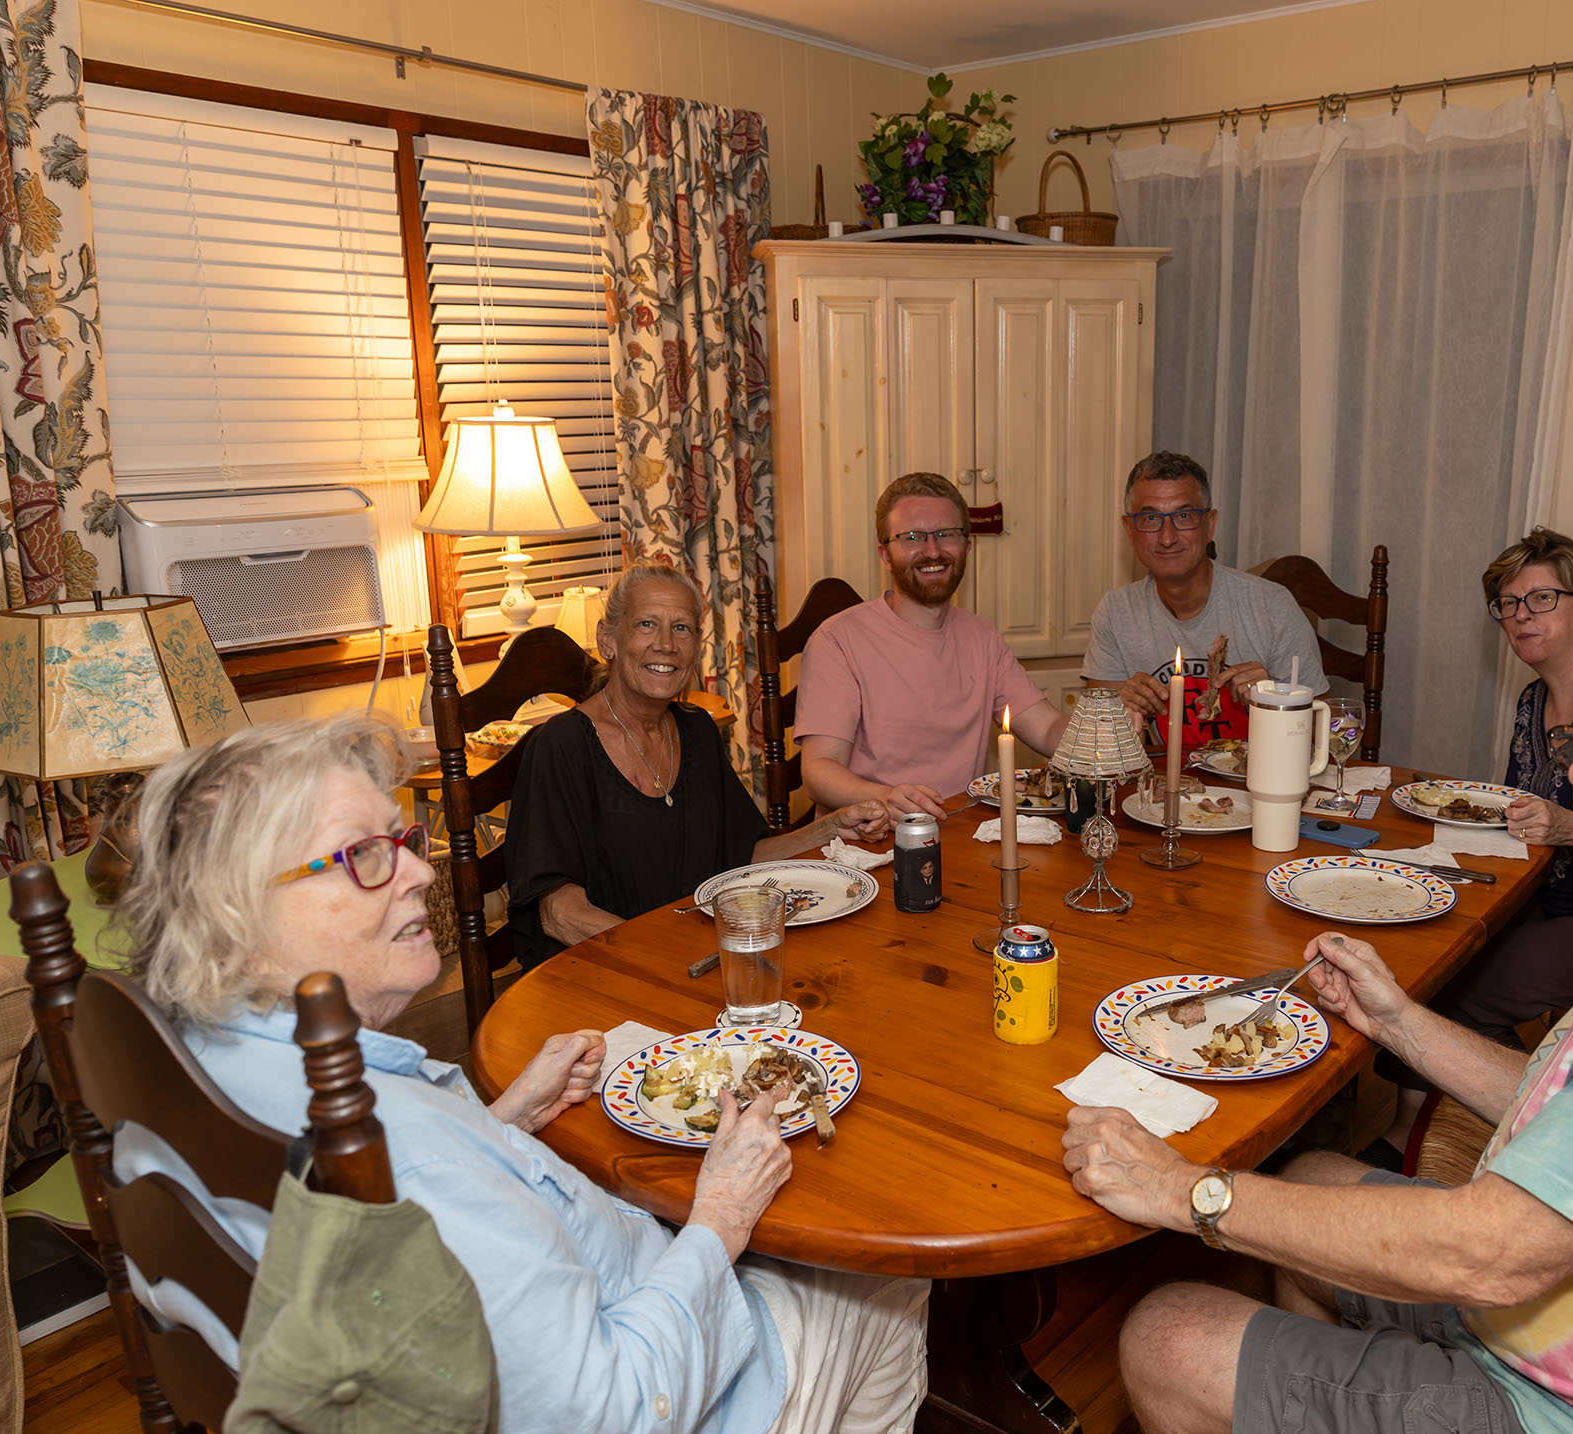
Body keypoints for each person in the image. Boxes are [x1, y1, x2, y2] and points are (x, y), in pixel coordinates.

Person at [1062, 604, 1573, 1434]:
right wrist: (1397, 1021)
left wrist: (1185, 1191)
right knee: (1309, 1178)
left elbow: (1489, 1254)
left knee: (1165, 1336)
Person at [111, 712, 929, 1434]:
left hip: (484, 1343)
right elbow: (616, 1409)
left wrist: (497, 1124)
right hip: (669, 1389)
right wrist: (722, 1213)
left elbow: (383, 1220)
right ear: (239, 915)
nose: (422, 873)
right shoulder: (404, 1148)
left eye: (404, 842)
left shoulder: (190, 1066)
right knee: (886, 1277)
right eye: (364, 855)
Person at [1367, 528, 1573, 1165]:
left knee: (1454, 995)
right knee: (1427, 949)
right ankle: (1416, 1125)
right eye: (1509, 604)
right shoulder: (1533, 700)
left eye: (1541, 599)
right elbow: (1518, 810)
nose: (1520, 616)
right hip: (1538, 894)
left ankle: (1523, 1134)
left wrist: (1571, 827)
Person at [506, 560, 892, 967]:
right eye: (646, 625)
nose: (667, 644)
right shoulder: (561, 747)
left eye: (682, 628)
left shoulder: (697, 731)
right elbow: (560, 914)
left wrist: (832, 828)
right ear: (608, 640)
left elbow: (743, 856)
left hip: (699, 960)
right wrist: (665, 959)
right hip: (604, 971)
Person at [797, 471, 1066, 820]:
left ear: (966, 547)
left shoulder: (982, 638)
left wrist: (1109, 734)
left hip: (963, 835)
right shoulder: (837, 641)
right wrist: (885, 798)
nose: (932, 550)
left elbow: (1047, 728)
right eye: (912, 537)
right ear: (885, 554)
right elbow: (819, 770)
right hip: (869, 840)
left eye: (945, 534)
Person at [1082, 452, 1325, 750]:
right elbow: (1097, 743)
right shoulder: (1115, 613)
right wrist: (1117, 708)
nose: (1167, 537)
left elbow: (1325, 733)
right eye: (1150, 519)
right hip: (1168, 777)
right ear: (1130, 531)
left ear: (1209, 525)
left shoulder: (1273, 607)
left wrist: (1273, 700)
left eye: (1184, 517)